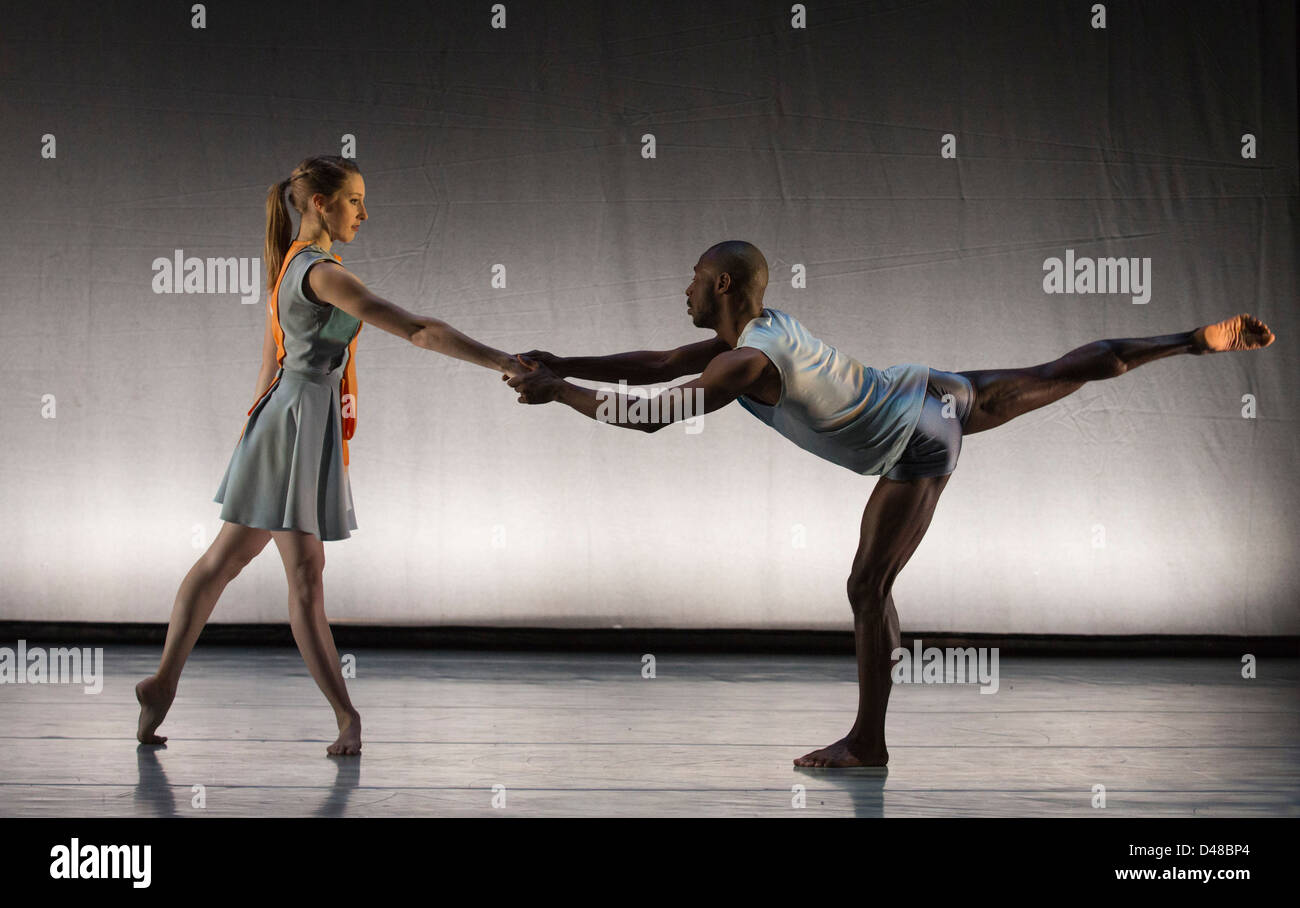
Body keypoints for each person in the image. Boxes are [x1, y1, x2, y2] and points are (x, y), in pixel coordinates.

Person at [505, 239, 1276, 768]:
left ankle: (867, 743)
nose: (685, 285)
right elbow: (660, 363)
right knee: (1058, 370)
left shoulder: (743, 363)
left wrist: (559, 394)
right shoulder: (758, 334)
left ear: (724, 288)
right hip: (934, 390)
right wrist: (561, 361)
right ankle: (1191, 342)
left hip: (915, 439)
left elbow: (655, 412)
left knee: (866, 589)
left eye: (695, 275)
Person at [136, 155, 524, 756]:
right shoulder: (321, 275)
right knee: (304, 577)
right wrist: (504, 361)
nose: (364, 213)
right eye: (354, 200)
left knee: (223, 562)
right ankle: (346, 716)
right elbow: (419, 329)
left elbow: (273, 359)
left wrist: (255, 433)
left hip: (285, 421)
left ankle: (162, 685)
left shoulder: (291, 264)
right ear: (320, 203)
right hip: (293, 425)